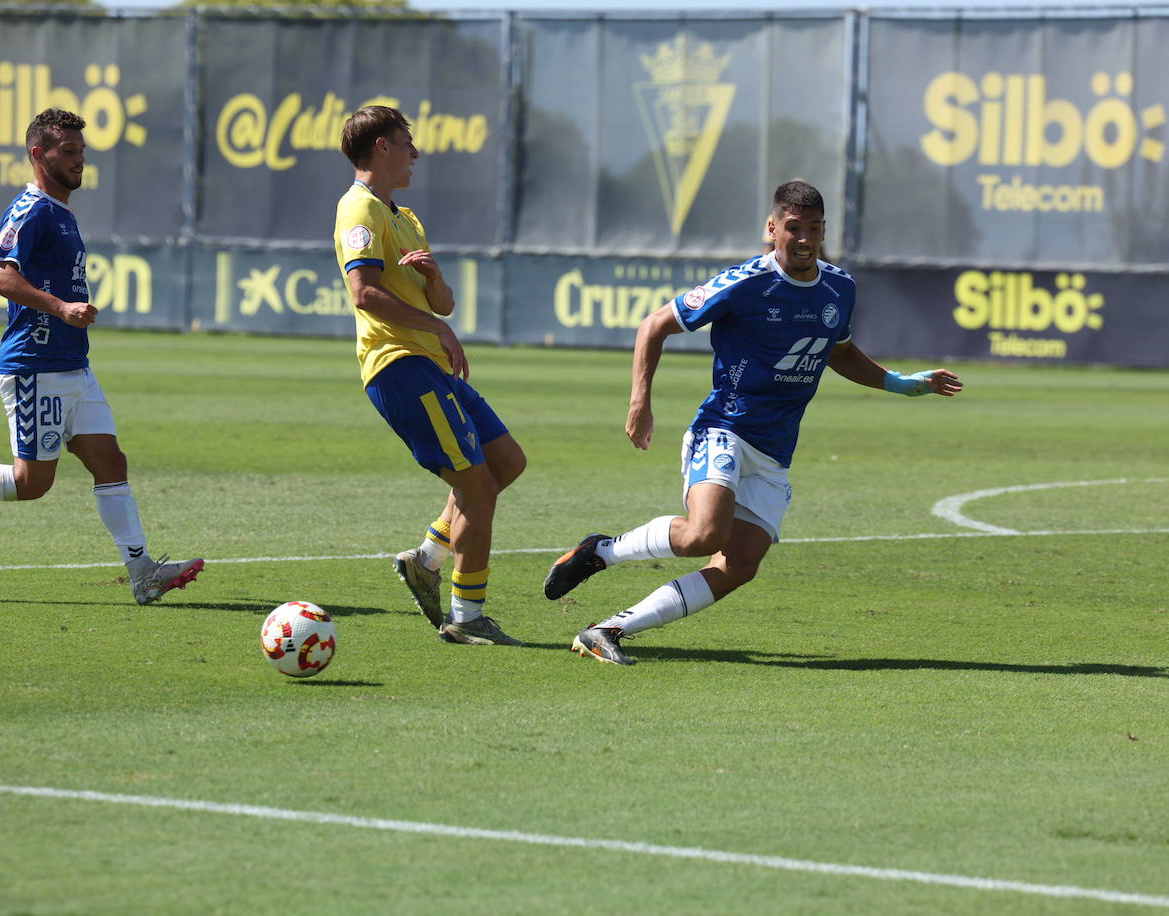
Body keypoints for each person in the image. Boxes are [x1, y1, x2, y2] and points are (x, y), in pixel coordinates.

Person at [544, 179, 962, 664]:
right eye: (793, 228)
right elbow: (654, 325)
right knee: (705, 535)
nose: (804, 239)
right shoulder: (745, 283)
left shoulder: (839, 287)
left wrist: (902, 384)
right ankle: (603, 550)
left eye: (814, 229)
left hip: (775, 449)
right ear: (772, 228)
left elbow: (839, 352)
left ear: (824, 230)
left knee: (740, 564)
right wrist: (640, 401)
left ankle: (610, 629)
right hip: (725, 428)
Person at [0, 108, 204, 605]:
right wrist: (61, 307)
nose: (80, 160)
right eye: (69, 151)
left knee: (110, 461)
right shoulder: (29, 210)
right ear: (39, 154)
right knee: (31, 483)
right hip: (35, 366)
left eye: (82, 151)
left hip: (73, 365)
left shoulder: (62, 211)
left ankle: (143, 573)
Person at [334, 105, 527, 645]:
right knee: (478, 485)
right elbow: (364, 294)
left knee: (507, 462)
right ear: (381, 148)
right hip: (399, 366)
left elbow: (443, 304)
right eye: (406, 142)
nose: (415, 153)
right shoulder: (359, 212)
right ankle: (467, 618)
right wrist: (436, 329)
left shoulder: (405, 216)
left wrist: (434, 280)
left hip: (431, 365)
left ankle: (426, 560)